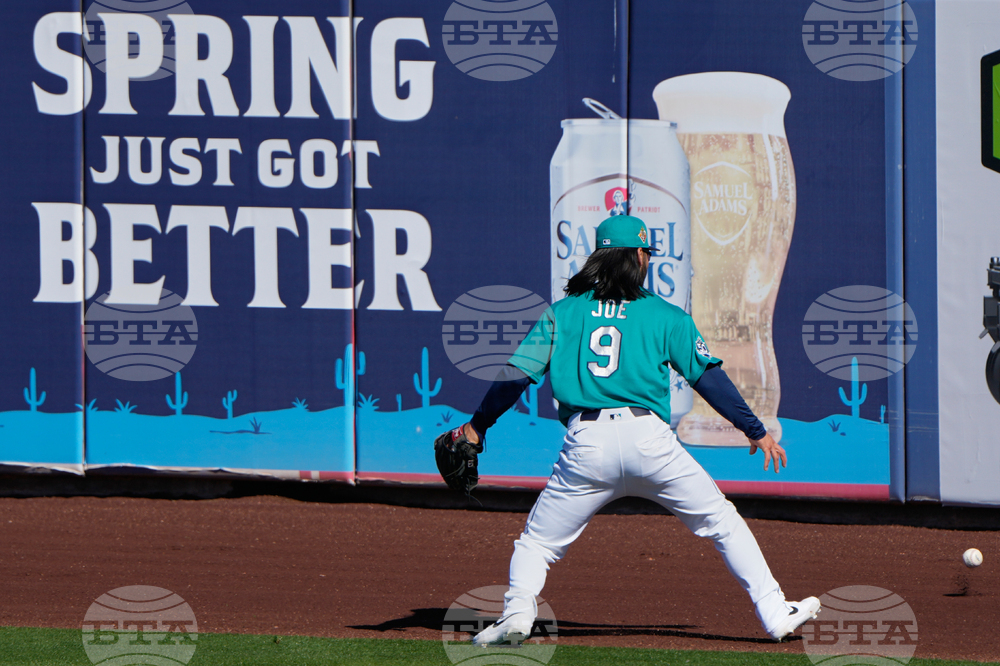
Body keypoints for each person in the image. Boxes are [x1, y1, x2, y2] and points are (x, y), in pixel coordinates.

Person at [462, 214, 820, 647]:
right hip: (649, 441)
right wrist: (754, 430)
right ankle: (775, 612)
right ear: (636, 255)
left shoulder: (562, 312)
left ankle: (518, 614)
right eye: (647, 252)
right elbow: (707, 378)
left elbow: (515, 377)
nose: (648, 259)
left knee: (537, 543)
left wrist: (476, 427)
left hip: (586, 445)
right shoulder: (664, 314)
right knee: (721, 521)